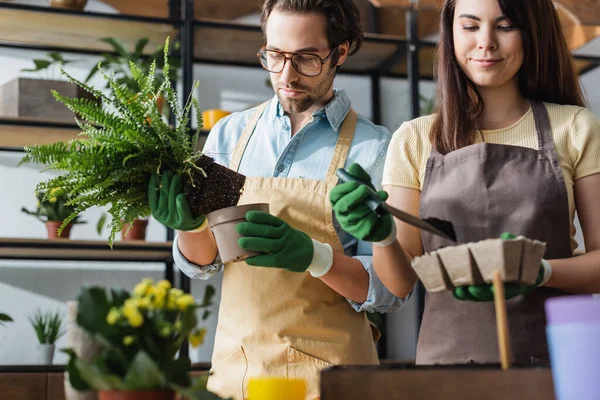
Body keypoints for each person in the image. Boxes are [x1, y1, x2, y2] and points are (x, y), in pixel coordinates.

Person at [148, 1, 405, 399]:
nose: (287, 75)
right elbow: (207, 262)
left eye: (305, 59)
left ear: (339, 52)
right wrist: (190, 228)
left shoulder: (375, 148)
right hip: (238, 376)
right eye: (275, 56)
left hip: (333, 378)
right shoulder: (228, 137)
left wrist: (315, 256)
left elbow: (390, 292)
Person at [330, 0, 600, 366]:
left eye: (505, 26)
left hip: (557, 364)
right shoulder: (414, 139)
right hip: (447, 366)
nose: (485, 42)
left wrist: (540, 272)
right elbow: (400, 283)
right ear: (450, 34)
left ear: (532, 33)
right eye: (470, 26)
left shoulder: (575, 127)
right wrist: (383, 237)